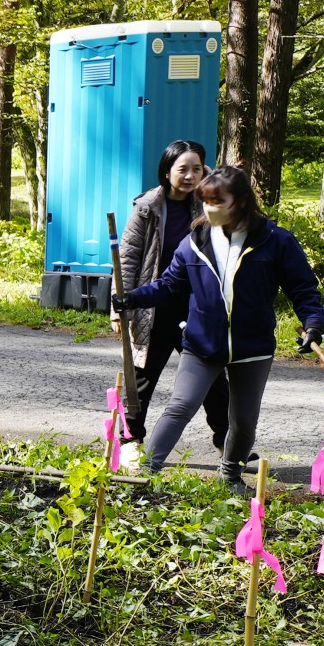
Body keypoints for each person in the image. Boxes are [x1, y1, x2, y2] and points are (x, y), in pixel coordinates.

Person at [113, 166, 324, 491]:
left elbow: (304, 289)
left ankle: (230, 476)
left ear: (239, 202)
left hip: (252, 348)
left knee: (242, 421)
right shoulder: (194, 241)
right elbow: (169, 285)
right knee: (180, 406)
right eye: (205, 201)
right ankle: (145, 475)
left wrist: (312, 324)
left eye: (217, 201)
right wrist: (132, 298)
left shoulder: (276, 241)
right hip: (201, 344)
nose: (209, 208)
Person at [111, 140, 230, 466]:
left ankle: (228, 444)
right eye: (183, 169)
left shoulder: (206, 204)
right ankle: (131, 441)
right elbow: (127, 261)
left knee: (213, 378)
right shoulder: (148, 207)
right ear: (167, 171)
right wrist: (118, 308)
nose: (191, 175)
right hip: (153, 306)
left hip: (196, 306)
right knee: (142, 378)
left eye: (197, 168)